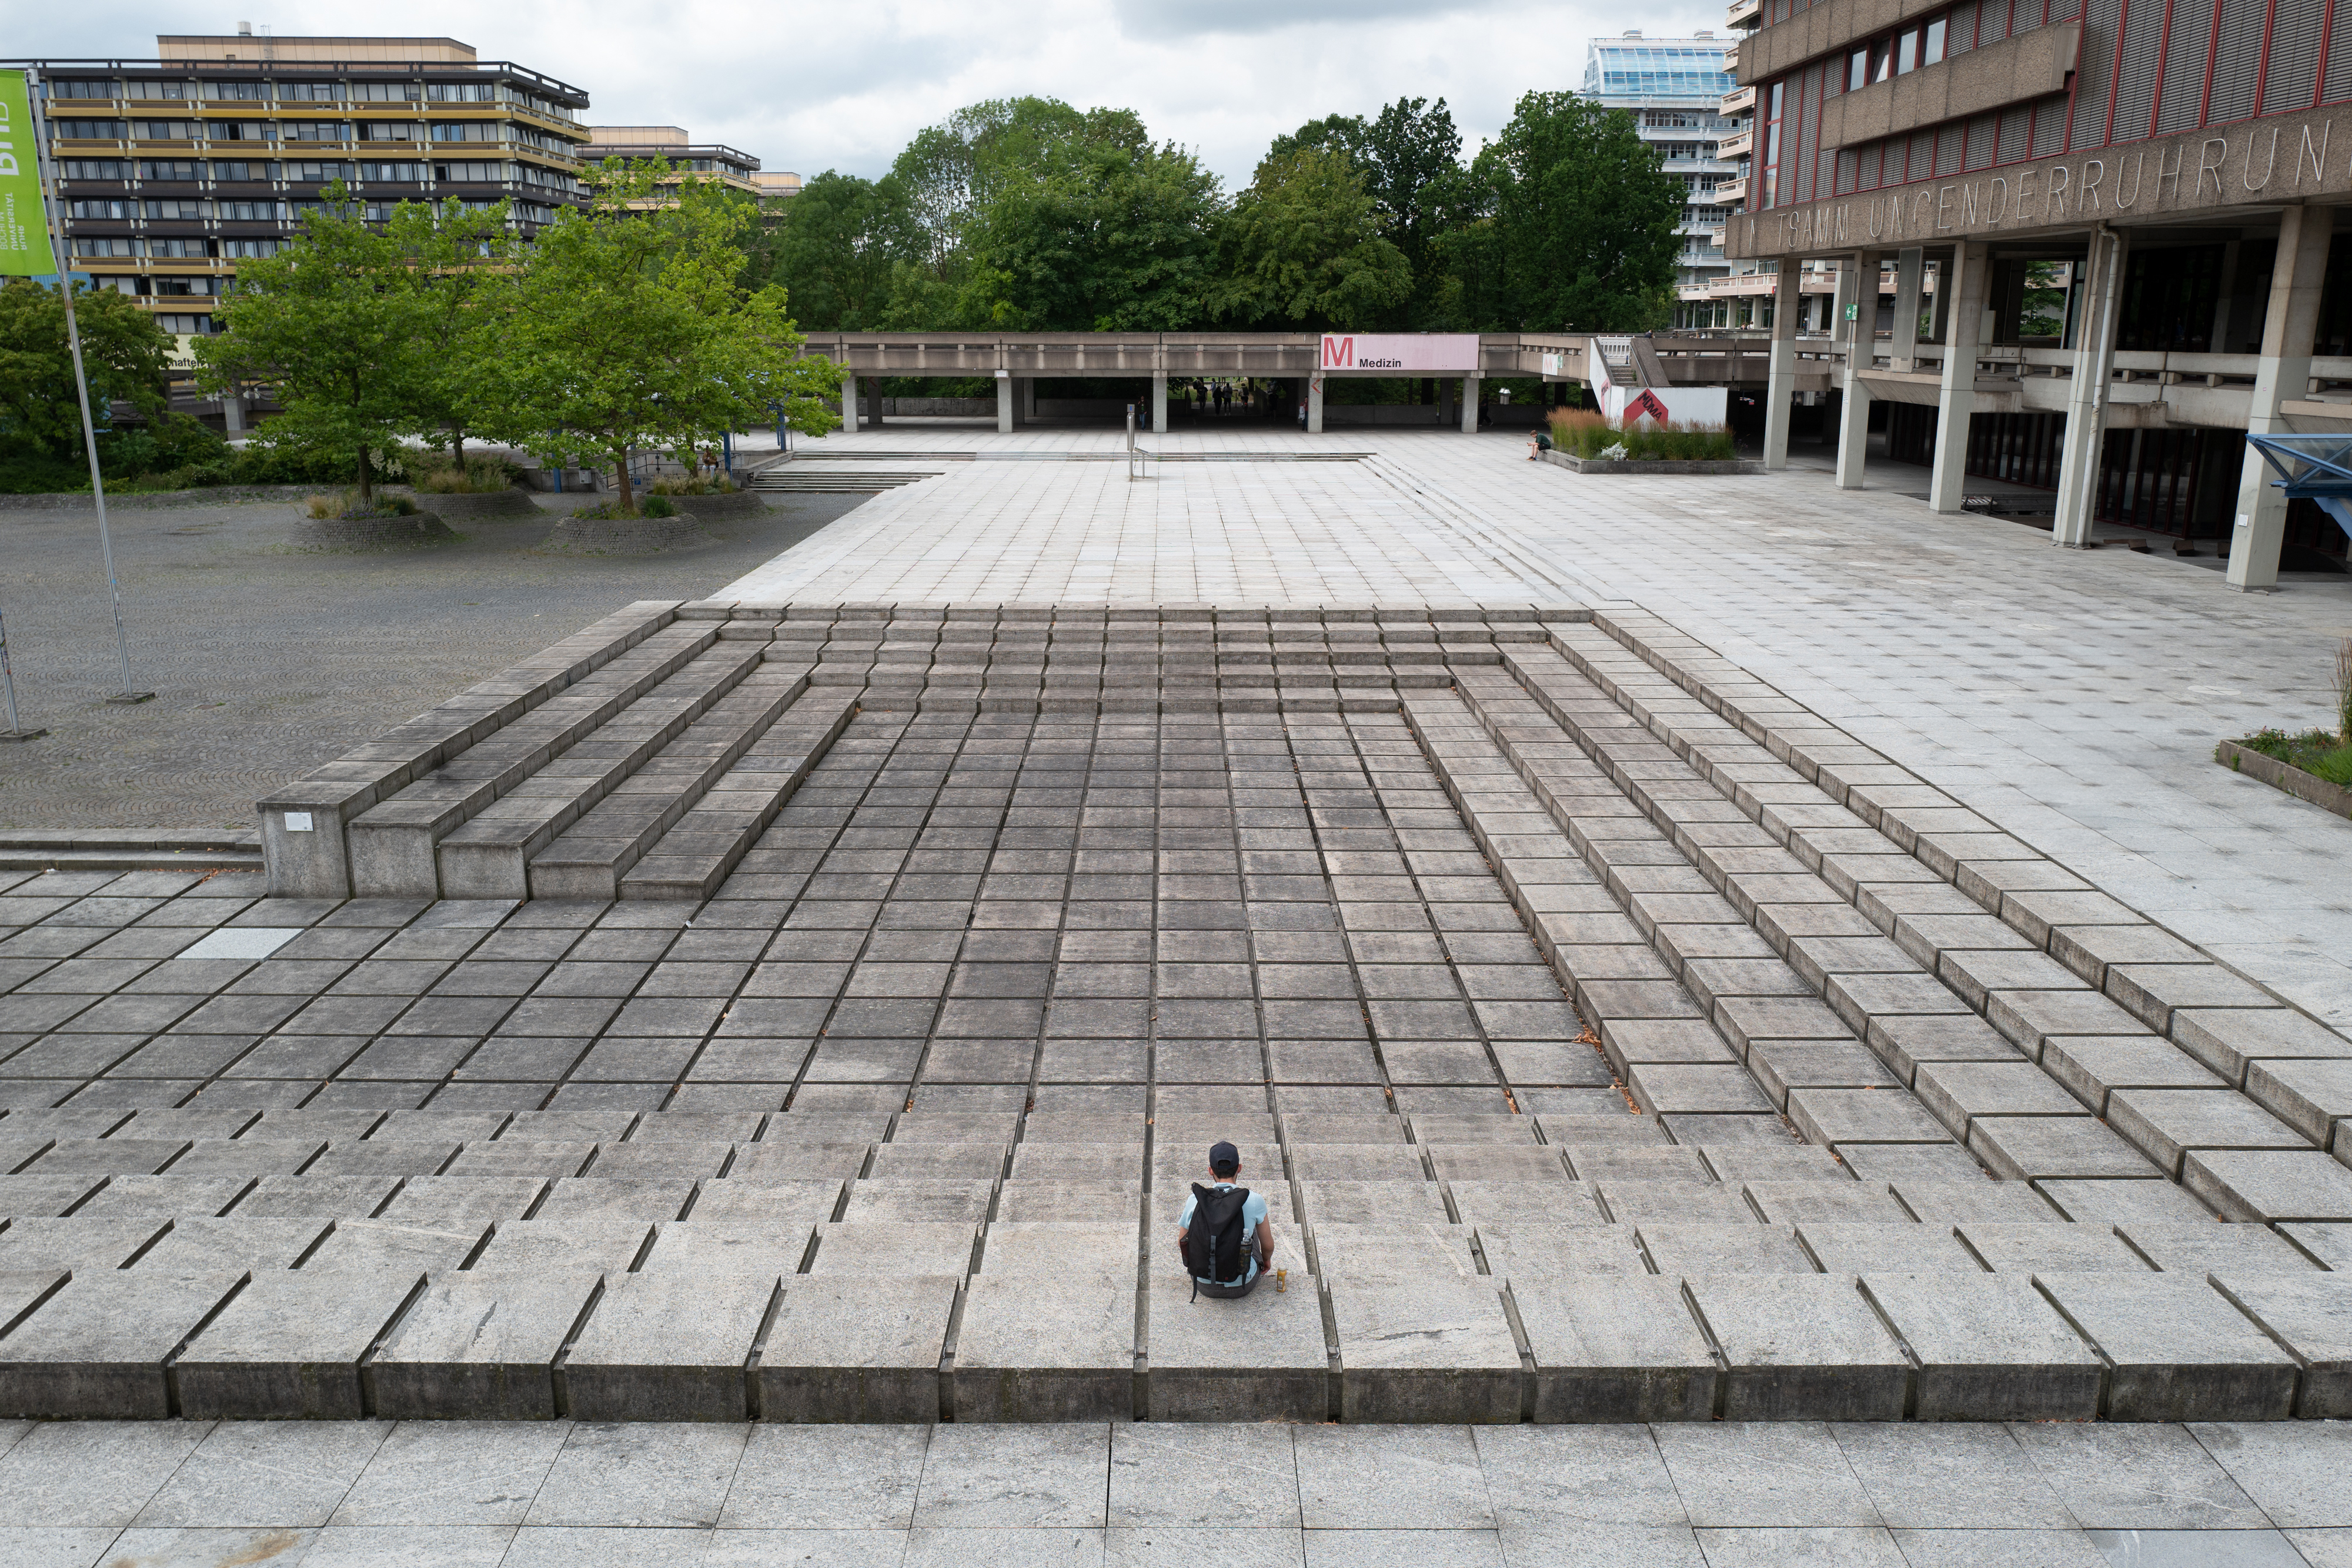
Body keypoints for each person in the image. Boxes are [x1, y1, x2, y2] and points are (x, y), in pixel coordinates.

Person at [1174, 1139, 1277, 1299]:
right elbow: (1268, 1245)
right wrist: (1266, 1260)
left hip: (1203, 1284)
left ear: (1210, 1171)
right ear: (1240, 1168)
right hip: (1242, 1285)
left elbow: (1182, 1240)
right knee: (1251, 1230)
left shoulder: (1195, 1200)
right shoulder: (1254, 1199)